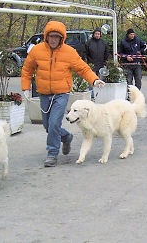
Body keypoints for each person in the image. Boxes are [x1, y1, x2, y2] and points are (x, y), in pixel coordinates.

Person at [21, 21, 104, 167]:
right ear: (46, 37)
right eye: (51, 36)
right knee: (47, 126)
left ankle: (52, 154)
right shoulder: (36, 51)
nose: (53, 39)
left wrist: (95, 80)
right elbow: (27, 70)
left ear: (61, 38)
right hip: (44, 93)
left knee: (54, 123)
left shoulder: (69, 52)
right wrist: (25, 88)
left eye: (57, 37)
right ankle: (66, 136)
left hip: (61, 93)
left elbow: (83, 69)